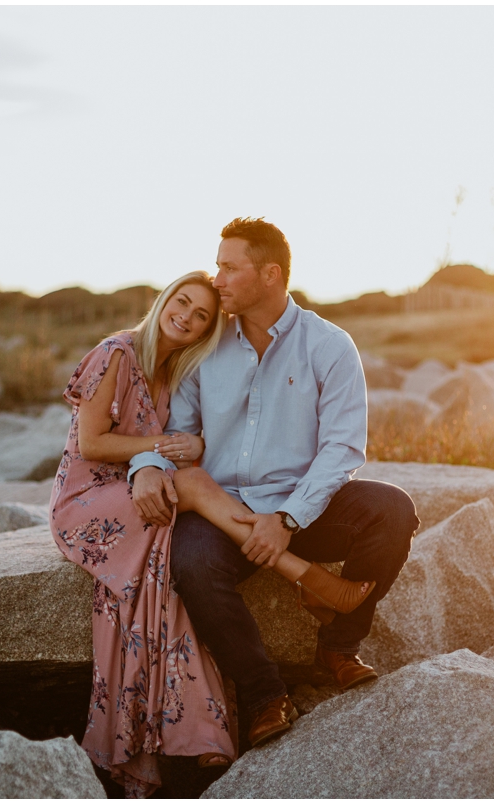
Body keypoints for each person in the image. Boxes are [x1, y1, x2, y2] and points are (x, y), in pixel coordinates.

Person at [49, 270, 373, 797]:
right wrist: (161, 453)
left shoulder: (177, 366)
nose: (189, 318)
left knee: (178, 566)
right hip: (89, 499)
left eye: (202, 316)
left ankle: (194, 723)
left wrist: (181, 449)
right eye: (183, 303)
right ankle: (299, 572)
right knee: (196, 486)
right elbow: (90, 445)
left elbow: (189, 440)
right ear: (163, 301)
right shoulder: (116, 351)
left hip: (140, 490)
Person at [128, 218, 419, 751]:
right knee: (191, 562)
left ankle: (337, 647)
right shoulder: (204, 348)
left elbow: (343, 449)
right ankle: (265, 694)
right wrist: (146, 465)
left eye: (229, 267)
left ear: (270, 274)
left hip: (304, 505)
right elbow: (177, 434)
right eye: (217, 266)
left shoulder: (329, 345)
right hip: (224, 510)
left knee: (393, 510)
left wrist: (288, 519)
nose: (217, 279)